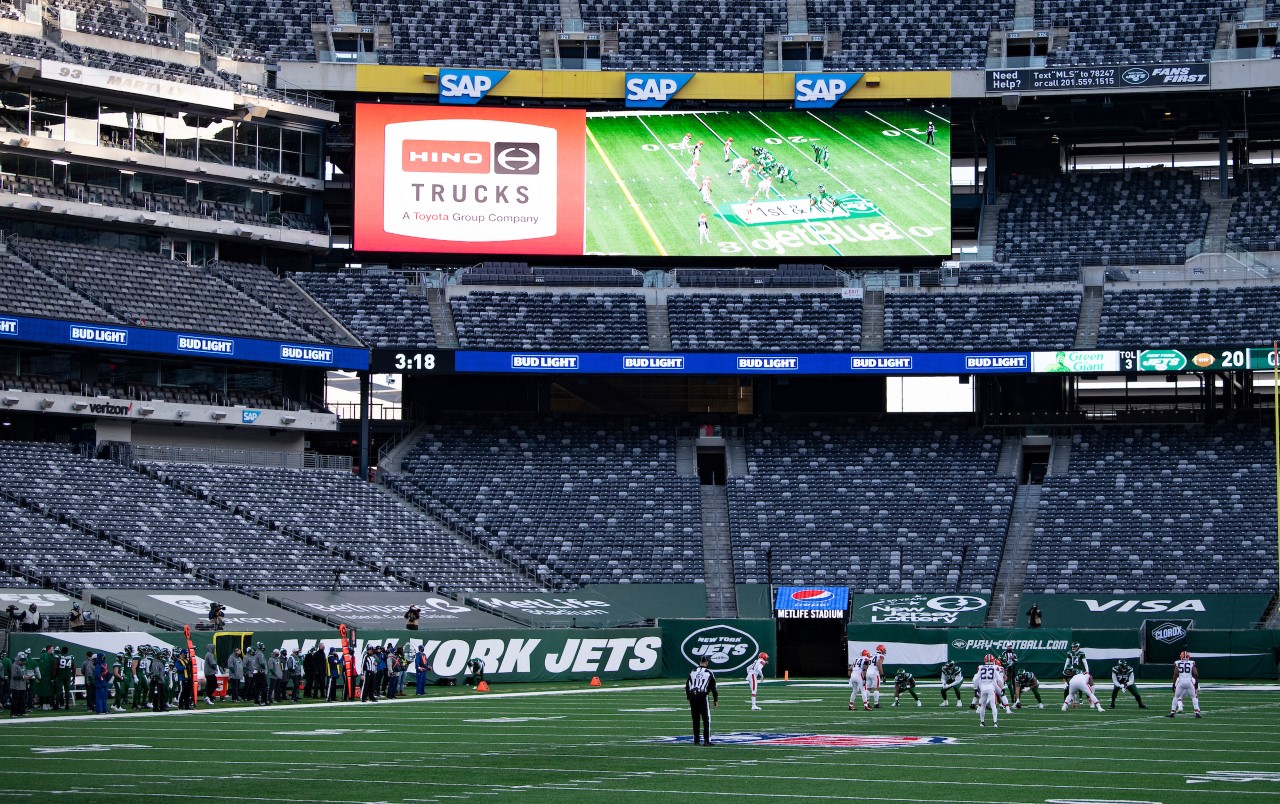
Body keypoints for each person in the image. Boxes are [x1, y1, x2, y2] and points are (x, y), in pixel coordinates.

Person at [685, 655, 718, 745]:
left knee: (695, 719)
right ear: (707, 662)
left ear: (699, 662)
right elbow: (713, 688)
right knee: (706, 719)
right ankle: (706, 740)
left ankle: (696, 740)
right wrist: (715, 700)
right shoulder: (709, 673)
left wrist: (688, 696)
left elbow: (687, 685)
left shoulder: (693, 672)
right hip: (702, 696)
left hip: (693, 696)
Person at [1169, 651, 1201, 718]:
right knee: (1194, 697)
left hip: (1181, 682)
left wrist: (1174, 684)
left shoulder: (1177, 662)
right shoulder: (1192, 663)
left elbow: (1175, 674)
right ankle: (1197, 712)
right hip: (1189, 682)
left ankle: (1172, 712)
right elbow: (1195, 674)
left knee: (1176, 697)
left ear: (1181, 656)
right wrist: (1196, 682)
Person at [974, 654, 1001, 728]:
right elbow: (999, 679)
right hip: (991, 688)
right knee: (993, 705)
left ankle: (982, 722)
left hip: (983, 688)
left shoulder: (980, 667)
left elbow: (976, 679)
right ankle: (995, 723)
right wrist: (1002, 688)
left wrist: (975, 688)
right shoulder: (995, 667)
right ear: (993, 660)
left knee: (983, 705)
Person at [10, 651, 31, 717]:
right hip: (16, 686)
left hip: (22, 685)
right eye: (21, 661)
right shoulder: (14, 666)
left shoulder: (23, 666)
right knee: (15, 700)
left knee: (22, 700)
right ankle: (14, 713)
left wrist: (28, 677)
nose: (23, 662)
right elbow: (14, 676)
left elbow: (24, 674)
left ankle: (21, 712)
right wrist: (23, 677)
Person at [53, 646, 74, 711]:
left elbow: (55, 667)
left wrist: (53, 677)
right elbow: (74, 667)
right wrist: (74, 677)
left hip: (60, 675)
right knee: (67, 691)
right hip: (67, 675)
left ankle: (57, 705)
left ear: (61, 650)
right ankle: (67, 705)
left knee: (59, 691)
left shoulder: (58, 657)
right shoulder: (70, 657)